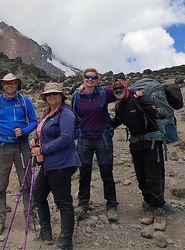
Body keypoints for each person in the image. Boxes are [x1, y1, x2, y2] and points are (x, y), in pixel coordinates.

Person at [72, 68, 141, 222]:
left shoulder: (104, 92)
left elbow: (123, 90)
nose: (90, 80)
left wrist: (136, 91)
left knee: (106, 170)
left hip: (102, 137)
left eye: (93, 77)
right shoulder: (77, 96)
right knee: (84, 171)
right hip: (84, 138)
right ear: (83, 78)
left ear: (97, 79)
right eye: (87, 77)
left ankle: (111, 205)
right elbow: (74, 114)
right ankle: (83, 204)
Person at [111, 79, 168, 231]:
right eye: (115, 89)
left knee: (154, 176)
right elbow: (116, 122)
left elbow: (162, 114)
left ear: (125, 87)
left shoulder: (138, 98)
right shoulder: (119, 106)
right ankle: (148, 206)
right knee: (141, 176)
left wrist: (144, 101)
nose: (117, 91)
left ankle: (159, 211)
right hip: (136, 144)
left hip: (152, 143)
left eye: (119, 88)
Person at [0, 73, 38, 235]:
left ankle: (31, 217)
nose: (9, 85)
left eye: (13, 83)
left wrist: (24, 131)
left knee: (27, 183)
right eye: (6, 83)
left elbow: (34, 121)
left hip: (22, 146)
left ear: (17, 84)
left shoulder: (24, 101)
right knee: (0, 184)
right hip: (3, 147)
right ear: (2, 85)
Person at [31, 82, 81, 250]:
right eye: (48, 95)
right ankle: (46, 232)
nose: (51, 96)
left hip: (61, 163)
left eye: (55, 94)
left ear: (61, 96)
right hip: (49, 163)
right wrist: (36, 140)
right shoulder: (49, 113)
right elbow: (44, 133)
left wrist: (41, 149)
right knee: (39, 194)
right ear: (45, 98)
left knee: (63, 202)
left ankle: (66, 241)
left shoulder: (66, 114)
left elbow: (66, 138)